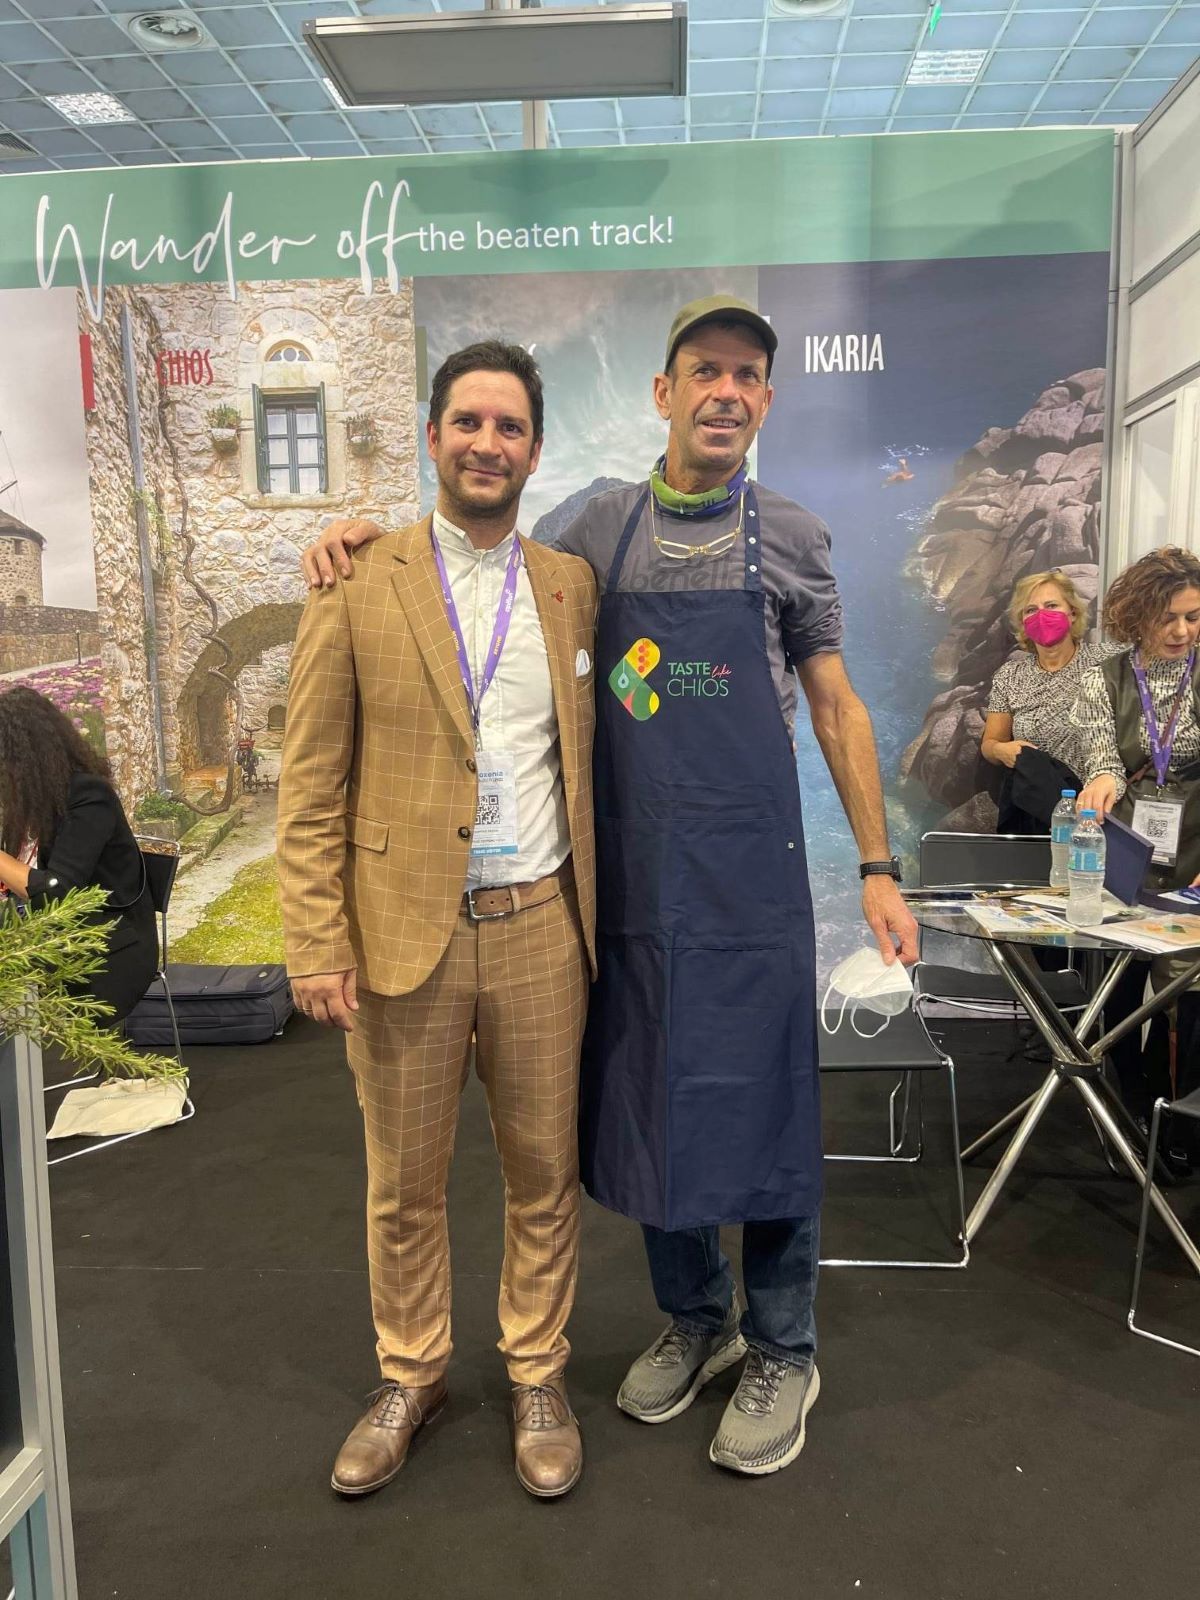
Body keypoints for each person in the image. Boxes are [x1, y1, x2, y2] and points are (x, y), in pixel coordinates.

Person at [302, 296, 917, 1479]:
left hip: (752, 886)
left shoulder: (792, 535)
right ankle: (695, 1318)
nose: (725, 391)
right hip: (632, 889)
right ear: (664, 391)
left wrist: (880, 867)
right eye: (704, 370)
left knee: (770, 1110)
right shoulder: (594, 528)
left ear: (767, 398)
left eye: (747, 374)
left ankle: (781, 1344)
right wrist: (363, 541)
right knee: (654, 1103)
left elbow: (837, 708)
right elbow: (478, 556)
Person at [278, 341, 597, 1501]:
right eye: (467, 422)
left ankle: (538, 1371)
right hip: (402, 932)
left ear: (534, 450)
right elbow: (310, 779)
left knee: (544, 1170)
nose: (486, 444)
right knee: (404, 1180)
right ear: (432, 437)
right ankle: (412, 1374)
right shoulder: (356, 580)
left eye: (508, 427)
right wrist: (316, 936)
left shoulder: (570, 585)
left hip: (541, 926)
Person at [1073, 546, 1200, 1138]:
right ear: (1136, 616)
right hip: (1127, 853)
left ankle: (1175, 1122)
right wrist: (1103, 776)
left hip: (1195, 854)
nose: (1181, 631)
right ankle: (1127, 1107)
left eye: (1193, 617)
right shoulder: (1103, 677)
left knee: (1186, 993)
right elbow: (1103, 754)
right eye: (1166, 618)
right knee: (1118, 989)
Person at [0, 686, 157, 1019]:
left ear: (23, 759)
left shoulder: (89, 796)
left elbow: (59, 892)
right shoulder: (37, 803)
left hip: (110, 951)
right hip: (60, 938)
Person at [981, 569, 1110, 832]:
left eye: (1051, 606)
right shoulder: (1009, 675)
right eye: (1031, 610)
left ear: (1072, 612)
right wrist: (1003, 751)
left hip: (1098, 813)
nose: (1042, 615)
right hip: (1034, 816)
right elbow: (990, 743)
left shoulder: (1107, 661)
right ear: (1022, 621)